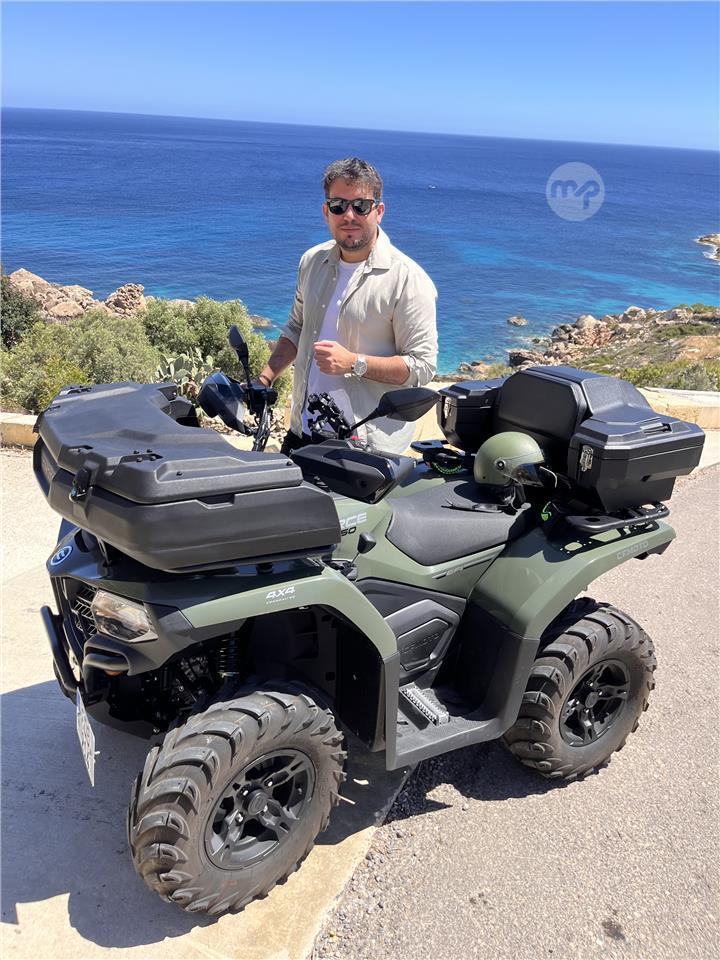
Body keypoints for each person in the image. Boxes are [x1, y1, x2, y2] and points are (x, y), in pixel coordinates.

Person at [257, 157, 438, 455]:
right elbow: (296, 328)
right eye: (339, 205)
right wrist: (265, 378)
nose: (349, 215)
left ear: (379, 211)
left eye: (361, 206)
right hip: (303, 432)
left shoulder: (408, 280)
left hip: (364, 448)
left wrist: (355, 363)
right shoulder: (312, 262)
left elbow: (422, 366)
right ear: (326, 212)